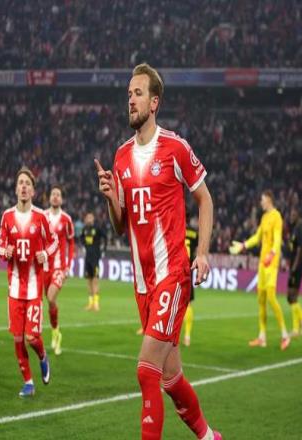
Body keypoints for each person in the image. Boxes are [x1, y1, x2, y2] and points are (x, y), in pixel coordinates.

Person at [95, 63, 222, 440]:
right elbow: (120, 225)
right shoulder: (120, 156)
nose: (130, 100)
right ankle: (209, 437)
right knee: (170, 377)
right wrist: (111, 199)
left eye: (137, 93)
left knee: (145, 370)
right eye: (128, 94)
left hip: (172, 275)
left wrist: (202, 252)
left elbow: (205, 199)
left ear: (154, 103)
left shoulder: (175, 148)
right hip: (143, 284)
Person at [0, 167, 58, 396]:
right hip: (14, 288)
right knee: (17, 338)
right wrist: (5, 251)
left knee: (32, 337)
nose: (23, 186)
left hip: (33, 288)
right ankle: (29, 382)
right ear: (16, 189)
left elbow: (54, 242)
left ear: (33, 191)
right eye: (20, 183)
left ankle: (42, 356)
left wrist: (45, 254)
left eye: (27, 184)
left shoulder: (41, 217)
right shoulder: (7, 216)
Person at [229, 190, 290, 350]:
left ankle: (285, 335)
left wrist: (273, 253)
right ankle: (262, 337)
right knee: (261, 300)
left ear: (269, 199)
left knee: (271, 297)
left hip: (271, 263)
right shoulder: (264, 217)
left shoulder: (276, 216)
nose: (261, 202)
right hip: (263, 263)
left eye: (262, 199)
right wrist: (243, 245)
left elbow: (277, 239)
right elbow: (257, 237)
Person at [44, 185, 74, 355]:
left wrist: (68, 266)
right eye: (53, 194)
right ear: (49, 198)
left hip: (58, 268)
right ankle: (55, 331)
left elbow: (71, 242)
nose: (55, 197)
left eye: (58, 194)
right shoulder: (42, 216)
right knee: (49, 302)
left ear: (61, 199)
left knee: (51, 297)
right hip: (44, 268)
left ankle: (56, 334)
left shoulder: (66, 219)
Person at [286, 208, 302, 336]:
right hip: (295, 266)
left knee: (291, 296)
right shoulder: (295, 228)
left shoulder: (299, 228)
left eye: (293, 214)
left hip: (296, 267)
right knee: (292, 298)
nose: (291, 216)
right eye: (291, 214)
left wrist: (294, 267)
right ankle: (295, 329)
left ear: (298, 215)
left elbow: (300, 249)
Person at [80, 212, 106, 311]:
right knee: (88, 281)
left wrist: (103, 250)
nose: (89, 219)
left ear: (93, 219)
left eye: (90, 217)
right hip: (87, 258)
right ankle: (90, 303)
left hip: (95, 258)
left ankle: (96, 303)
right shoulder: (84, 229)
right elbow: (81, 238)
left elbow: (105, 237)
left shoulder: (97, 228)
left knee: (95, 281)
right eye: (87, 217)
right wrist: (84, 245)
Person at [183, 217, 199, 347]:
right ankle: (187, 336)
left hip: (175, 267)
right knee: (188, 304)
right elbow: (198, 250)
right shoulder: (194, 233)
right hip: (188, 269)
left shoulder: (175, 227)